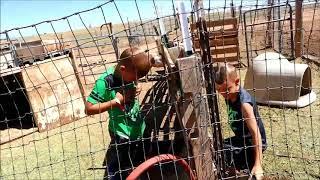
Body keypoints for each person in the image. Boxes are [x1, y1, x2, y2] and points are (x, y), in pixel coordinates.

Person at [85, 47, 152, 180]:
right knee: (119, 167)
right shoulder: (104, 82)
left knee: (139, 160)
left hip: (139, 128)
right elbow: (89, 108)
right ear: (122, 69)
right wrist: (115, 102)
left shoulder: (128, 72)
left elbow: (134, 79)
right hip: (121, 133)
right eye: (136, 77)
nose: (136, 80)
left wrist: (137, 85)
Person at [213, 62, 267, 179]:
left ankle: (245, 169)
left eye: (226, 89)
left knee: (223, 153)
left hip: (252, 144)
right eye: (219, 90)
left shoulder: (244, 104)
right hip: (241, 139)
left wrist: (258, 165)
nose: (223, 93)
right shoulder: (230, 95)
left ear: (237, 82)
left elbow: (256, 134)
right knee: (216, 147)